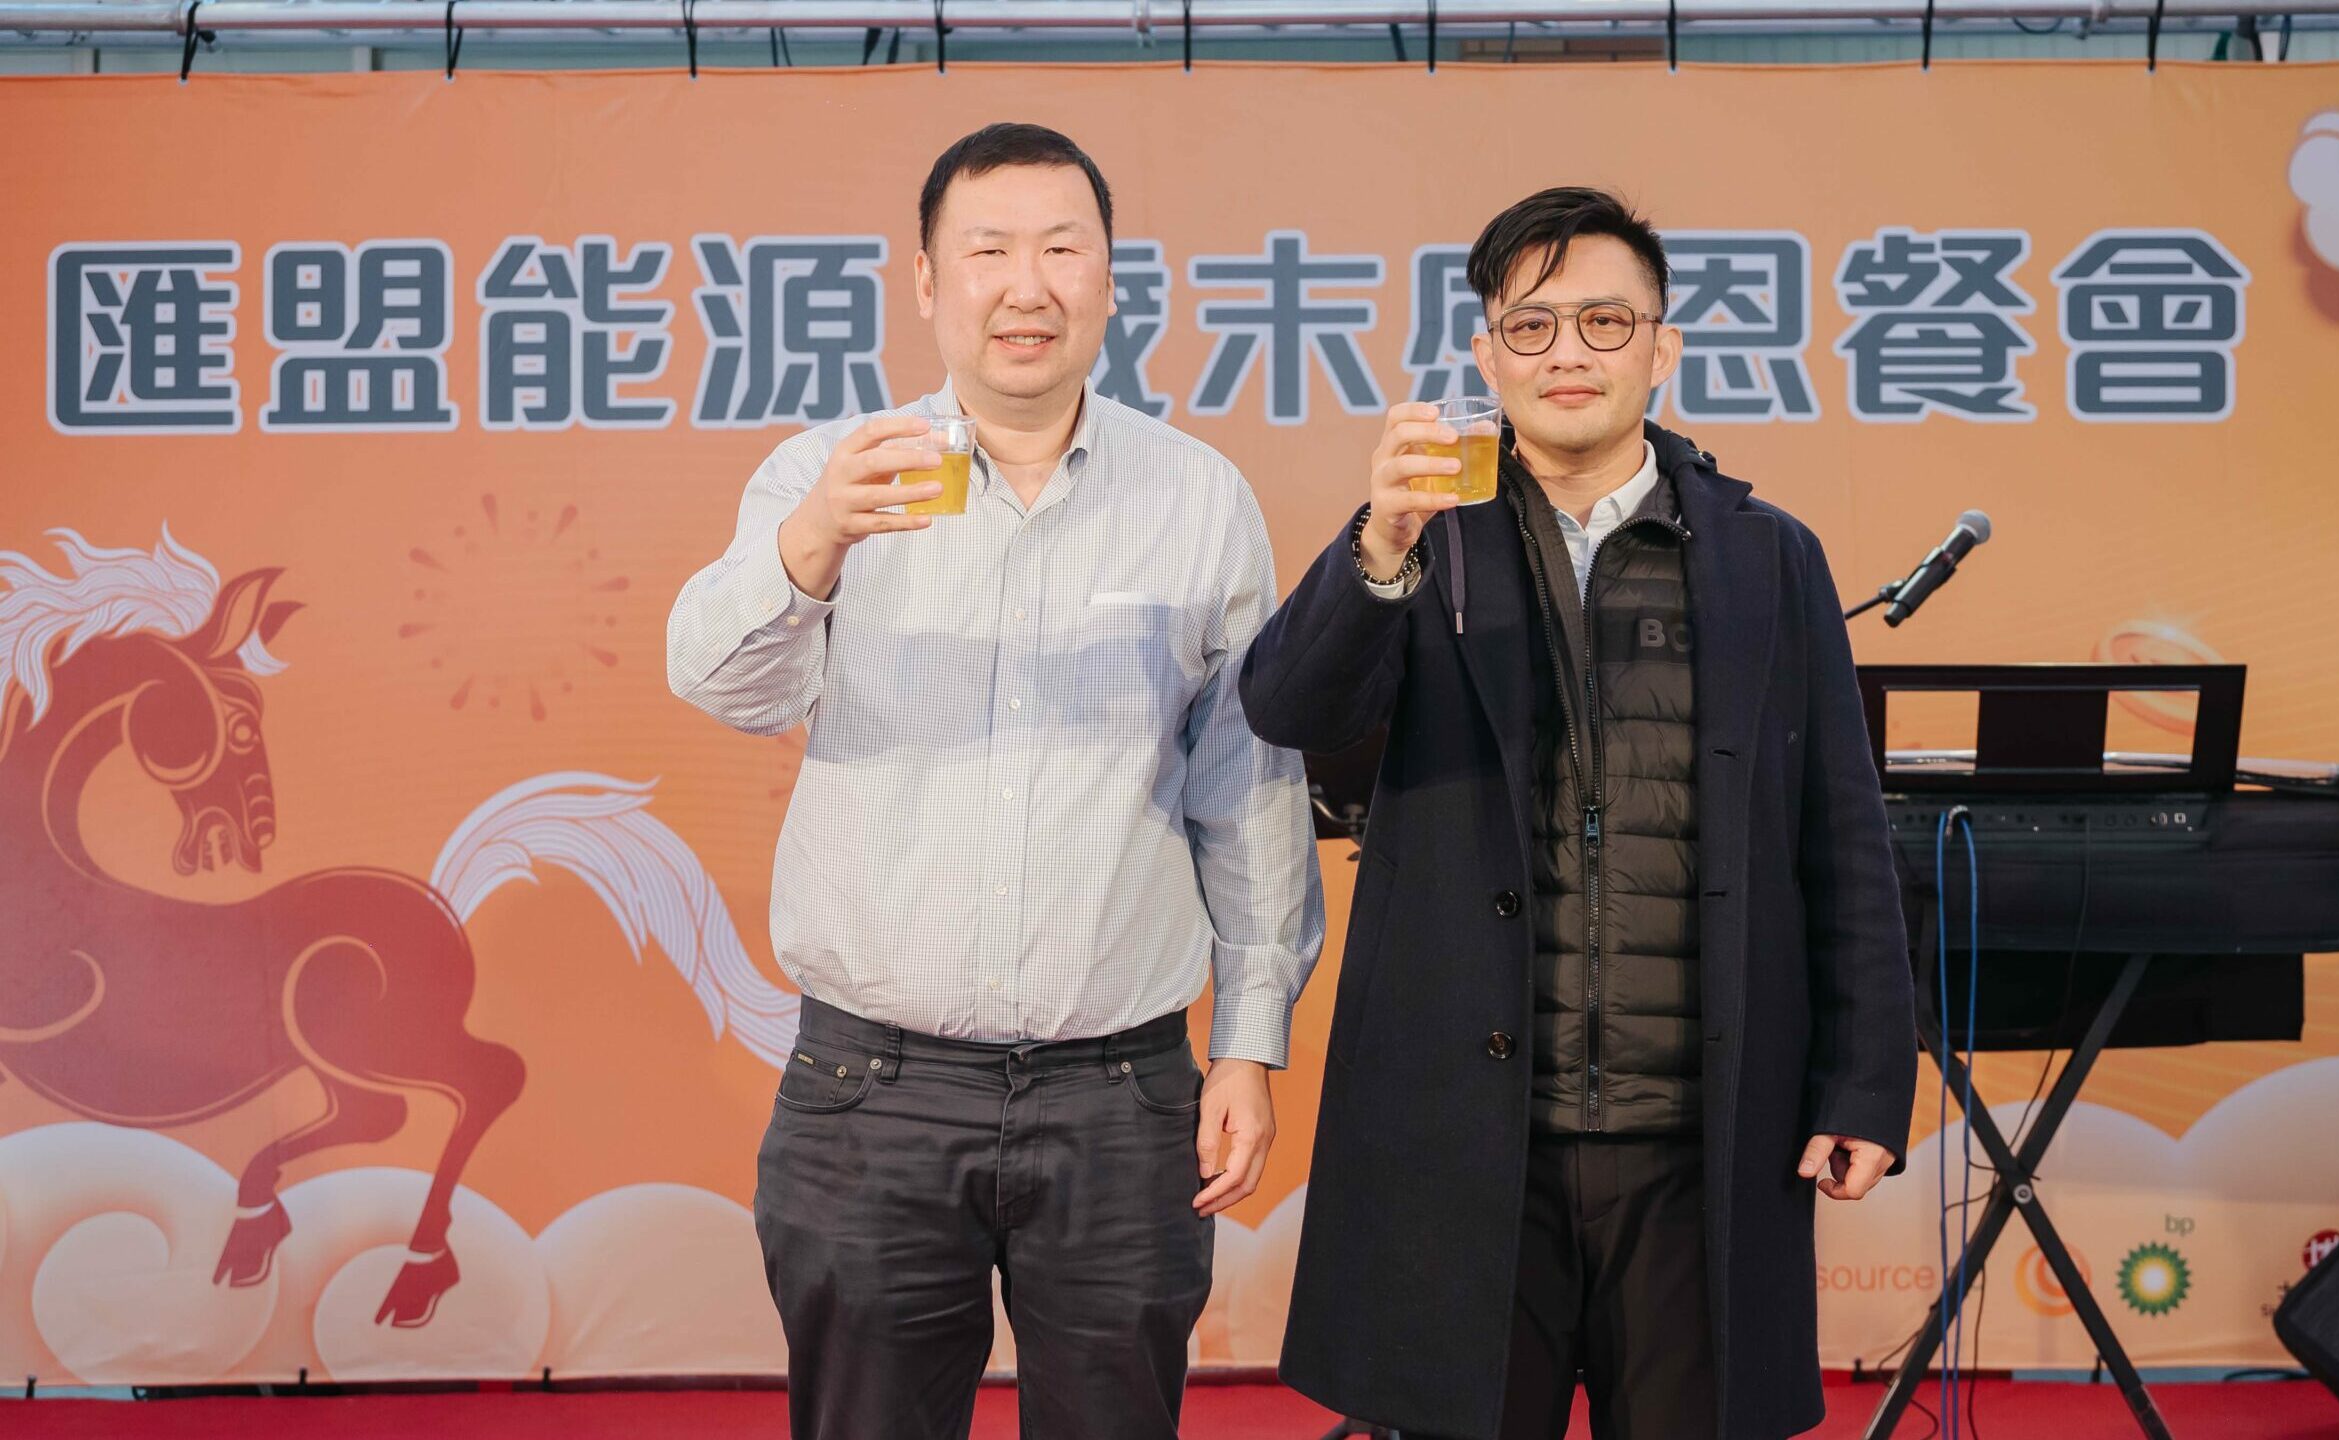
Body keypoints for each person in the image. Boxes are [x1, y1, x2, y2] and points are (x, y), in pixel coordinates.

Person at [666, 122, 1322, 1440]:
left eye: (1062, 251)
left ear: (1110, 279)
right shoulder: (830, 475)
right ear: (926, 282)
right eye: (989, 252)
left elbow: (1244, 785)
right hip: (872, 1092)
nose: (1028, 288)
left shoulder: (1197, 498)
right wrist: (812, 540)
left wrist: (1248, 1044)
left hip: (1121, 1095)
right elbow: (722, 685)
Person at [1240, 186, 1916, 1440]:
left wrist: (1868, 1079)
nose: (1568, 353)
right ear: (1486, 356)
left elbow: (1842, 834)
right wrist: (1378, 541)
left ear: (1661, 349)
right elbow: (1288, 709)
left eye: (1605, 322)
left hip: (1699, 1138)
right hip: (1470, 1142)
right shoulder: (1427, 539)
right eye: (1531, 325)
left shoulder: (1768, 557)